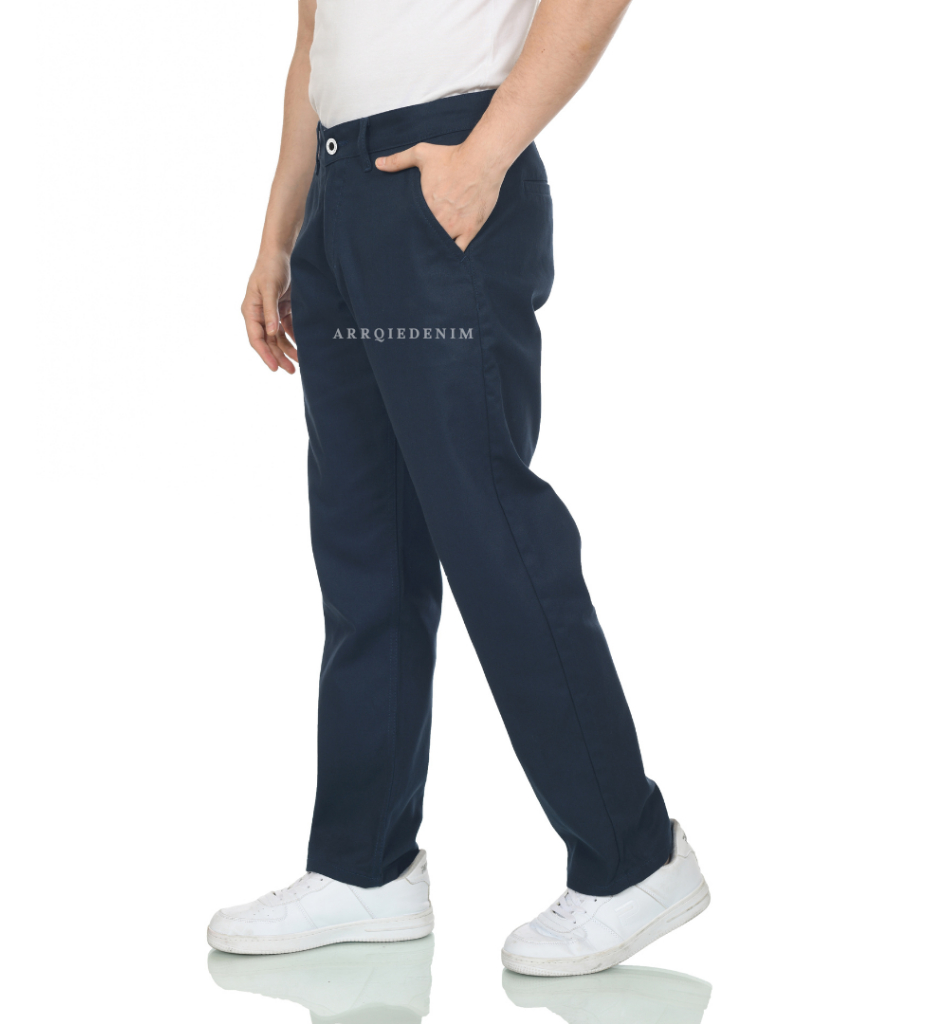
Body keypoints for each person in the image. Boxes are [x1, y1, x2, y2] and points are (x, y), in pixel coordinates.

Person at [207, 0, 709, 976]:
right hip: (339, 197)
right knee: (365, 549)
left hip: (444, 170)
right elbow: (314, 41)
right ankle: (364, 867)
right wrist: (278, 234)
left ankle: (633, 856)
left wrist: (486, 154)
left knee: (491, 534)